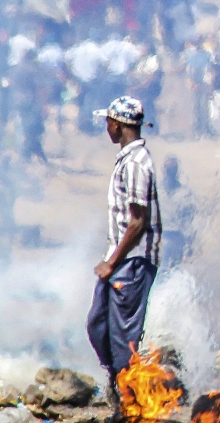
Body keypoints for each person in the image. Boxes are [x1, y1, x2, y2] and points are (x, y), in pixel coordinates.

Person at [86, 96, 162, 409]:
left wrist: (111, 262)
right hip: (120, 261)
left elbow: (138, 222)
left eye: (108, 122)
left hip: (132, 263)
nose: (107, 127)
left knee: (123, 339)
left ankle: (131, 403)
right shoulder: (127, 160)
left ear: (117, 125)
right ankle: (119, 385)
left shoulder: (136, 164)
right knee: (98, 324)